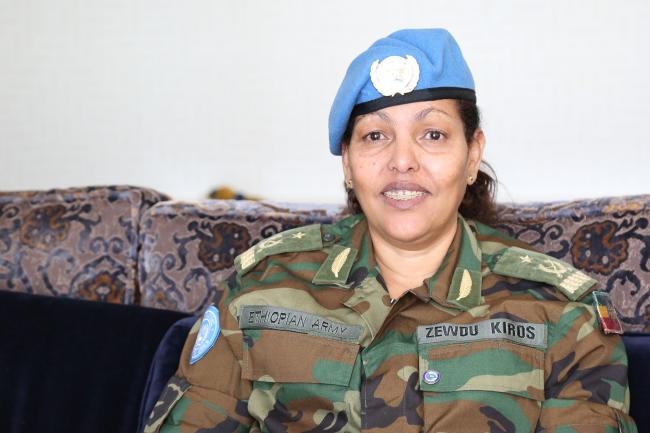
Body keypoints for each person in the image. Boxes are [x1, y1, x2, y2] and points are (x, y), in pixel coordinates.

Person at [144, 28, 637, 433]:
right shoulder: (259, 290)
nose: (402, 161)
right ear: (348, 163)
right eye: (375, 135)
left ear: (472, 155)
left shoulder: (563, 313)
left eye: (433, 135)